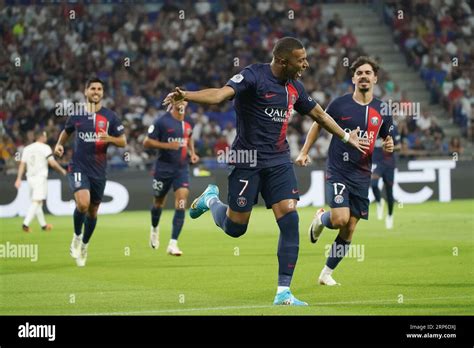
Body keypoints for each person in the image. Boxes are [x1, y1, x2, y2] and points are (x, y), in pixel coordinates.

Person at [164, 37, 369, 306]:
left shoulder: (294, 86)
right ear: (283, 61)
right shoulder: (253, 76)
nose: (306, 64)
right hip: (246, 160)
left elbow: (319, 115)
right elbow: (219, 95)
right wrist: (186, 95)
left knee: (290, 218)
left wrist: (345, 137)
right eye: (301, 59)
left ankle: (283, 291)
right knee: (236, 229)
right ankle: (211, 200)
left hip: (279, 161)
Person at [296, 56, 394, 286]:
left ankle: (326, 274)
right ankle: (321, 218)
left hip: (362, 174)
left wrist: (389, 143)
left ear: (375, 78)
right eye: (359, 73)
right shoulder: (340, 105)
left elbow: (386, 137)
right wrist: (304, 151)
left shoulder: (383, 109)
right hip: (339, 169)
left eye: (368, 73)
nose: (363, 76)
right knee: (340, 219)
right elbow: (318, 124)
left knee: (350, 228)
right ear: (353, 78)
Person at [54, 78, 127, 267]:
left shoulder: (110, 116)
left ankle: (85, 245)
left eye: (99, 89)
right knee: (83, 204)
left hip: (99, 171)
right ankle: (77, 236)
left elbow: (123, 141)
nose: (96, 91)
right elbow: (66, 131)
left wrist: (109, 137)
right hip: (78, 166)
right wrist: (59, 145)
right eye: (92, 88)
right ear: (85, 91)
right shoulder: (76, 115)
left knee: (93, 212)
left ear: (102, 93)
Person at [143, 101, 199, 256]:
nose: (181, 103)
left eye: (184, 100)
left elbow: (189, 137)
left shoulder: (189, 121)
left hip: (182, 169)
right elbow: (146, 142)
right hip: (163, 169)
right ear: (173, 102)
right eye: (178, 100)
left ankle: (173, 243)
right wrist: (167, 146)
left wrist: (192, 153)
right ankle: (154, 228)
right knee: (158, 202)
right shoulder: (162, 121)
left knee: (181, 201)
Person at [15, 129, 67, 232]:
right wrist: (62, 170)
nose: (46, 138)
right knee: (37, 201)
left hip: (30, 178)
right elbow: (52, 163)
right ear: (42, 137)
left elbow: (22, 164)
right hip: (40, 177)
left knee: (38, 203)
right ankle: (25, 224)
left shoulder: (27, 148)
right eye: (45, 136)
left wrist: (18, 178)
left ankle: (43, 225)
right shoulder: (45, 148)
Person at [371, 123, 400, 229]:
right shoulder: (371, 124)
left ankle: (390, 215)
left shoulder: (392, 127)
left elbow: (399, 146)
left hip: (389, 163)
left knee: (389, 192)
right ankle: (379, 202)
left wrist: (389, 146)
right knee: (373, 184)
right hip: (376, 162)